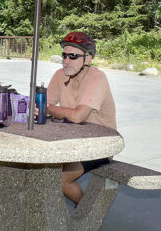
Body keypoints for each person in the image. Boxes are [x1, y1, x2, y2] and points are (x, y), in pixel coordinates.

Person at [46, 31, 116, 206]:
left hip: (100, 145)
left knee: (61, 178)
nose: (66, 61)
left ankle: (85, 212)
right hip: (72, 141)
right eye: (64, 55)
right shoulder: (60, 75)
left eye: (73, 56)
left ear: (88, 59)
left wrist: (50, 109)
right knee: (36, 167)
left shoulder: (97, 77)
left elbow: (78, 116)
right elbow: (40, 107)